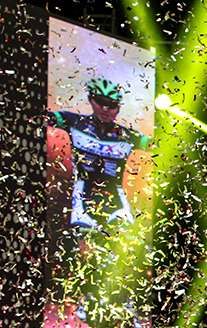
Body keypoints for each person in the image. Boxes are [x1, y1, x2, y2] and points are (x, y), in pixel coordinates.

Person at [48, 78, 152, 232]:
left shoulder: (126, 135)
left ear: (118, 108)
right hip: (82, 194)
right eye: (100, 102)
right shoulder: (75, 122)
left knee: (125, 240)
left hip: (115, 197)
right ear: (91, 99)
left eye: (111, 105)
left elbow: (158, 144)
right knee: (84, 240)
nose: (105, 109)